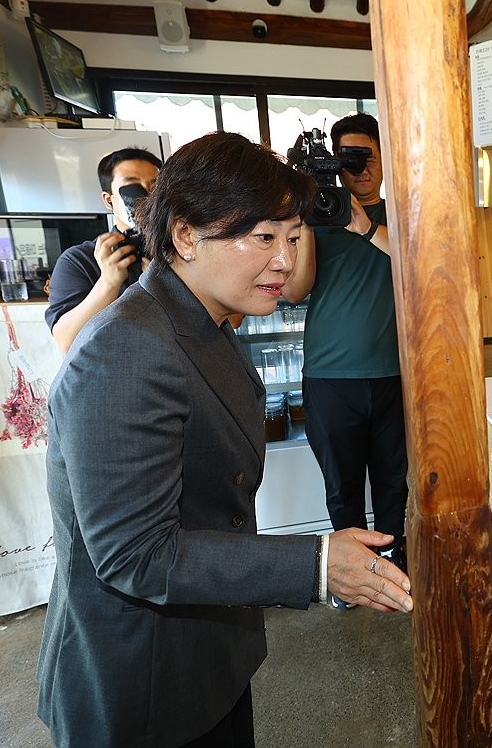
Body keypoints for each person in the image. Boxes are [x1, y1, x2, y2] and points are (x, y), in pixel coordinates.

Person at [37, 131, 413, 748]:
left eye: (292, 237)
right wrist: (317, 564)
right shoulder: (125, 349)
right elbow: (137, 554)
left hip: (207, 655)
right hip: (144, 680)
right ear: (185, 236)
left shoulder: (201, 320)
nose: (286, 262)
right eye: (263, 238)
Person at [283, 113, 408, 598]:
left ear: (383, 159)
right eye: (347, 158)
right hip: (331, 379)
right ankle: (352, 577)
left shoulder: (397, 218)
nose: (358, 168)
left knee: (394, 483)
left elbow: (419, 270)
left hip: (395, 376)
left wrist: (364, 225)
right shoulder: (317, 217)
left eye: (366, 156)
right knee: (343, 486)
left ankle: (395, 567)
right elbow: (295, 292)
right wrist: (313, 220)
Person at [44, 147, 162, 353]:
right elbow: (67, 343)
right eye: (132, 187)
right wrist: (108, 283)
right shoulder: (79, 260)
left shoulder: (180, 249)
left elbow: (229, 320)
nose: (147, 197)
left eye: (155, 186)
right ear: (109, 200)